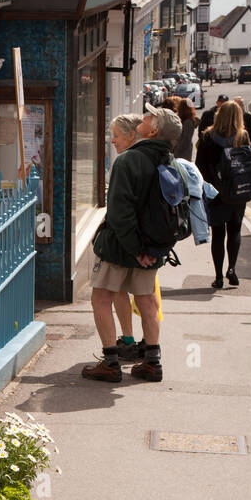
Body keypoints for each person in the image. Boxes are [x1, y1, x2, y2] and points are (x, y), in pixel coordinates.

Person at [82, 103, 183, 384]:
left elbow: (119, 213)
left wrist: (136, 249)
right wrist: (151, 250)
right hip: (152, 250)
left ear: (152, 130)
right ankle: (152, 363)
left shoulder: (127, 161)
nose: (145, 115)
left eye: (150, 116)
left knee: (100, 298)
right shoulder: (170, 162)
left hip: (120, 247)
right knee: (148, 301)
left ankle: (111, 363)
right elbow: (176, 211)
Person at [195, 99, 251, 289]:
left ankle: (218, 276)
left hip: (215, 193)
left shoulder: (207, 136)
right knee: (235, 231)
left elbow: (199, 166)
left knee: (218, 234)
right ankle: (232, 269)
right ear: (238, 117)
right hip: (237, 192)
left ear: (218, 114)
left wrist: (208, 185)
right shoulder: (242, 136)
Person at [107, 113, 143, 360]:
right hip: (145, 240)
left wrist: (133, 245)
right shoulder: (148, 159)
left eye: (116, 136)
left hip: (127, 240)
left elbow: (119, 209)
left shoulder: (125, 162)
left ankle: (129, 343)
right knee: (145, 295)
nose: (112, 141)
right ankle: (147, 347)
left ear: (131, 136)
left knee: (115, 291)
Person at [166, 95, 197, 160]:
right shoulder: (184, 119)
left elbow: (185, 140)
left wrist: (176, 152)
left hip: (182, 152)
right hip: (182, 150)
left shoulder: (188, 122)